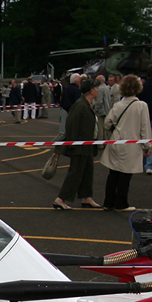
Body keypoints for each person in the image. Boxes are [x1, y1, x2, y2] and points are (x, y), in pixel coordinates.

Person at [101, 75, 151, 212]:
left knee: (113, 173)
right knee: (125, 174)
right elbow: (144, 127)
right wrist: (148, 145)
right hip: (131, 143)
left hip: (116, 140)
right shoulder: (141, 106)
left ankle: (108, 201)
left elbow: (106, 123)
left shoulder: (118, 105)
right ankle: (121, 203)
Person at [53, 78, 102, 210]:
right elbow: (71, 124)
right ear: (91, 91)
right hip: (80, 145)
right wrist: (73, 144)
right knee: (75, 172)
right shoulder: (80, 105)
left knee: (87, 171)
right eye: (96, 88)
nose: (97, 90)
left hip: (87, 145)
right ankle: (61, 198)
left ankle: (86, 197)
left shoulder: (86, 104)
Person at [57, 73, 81, 140]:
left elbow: (63, 101)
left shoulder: (66, 89)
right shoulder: (77, 90)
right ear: (77, 81)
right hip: (74, 111)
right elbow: (78, 102)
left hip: (65, 110)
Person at [92, 75, 112, 144]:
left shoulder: (100, 89)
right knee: (105, 128)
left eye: (97, 80)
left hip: (100, 111)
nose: (96, 81)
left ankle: (100, 143)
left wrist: (95, 109)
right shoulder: (107, 88)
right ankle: (105, 141)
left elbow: (99, 101)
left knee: (100, 128)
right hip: (107, 109)